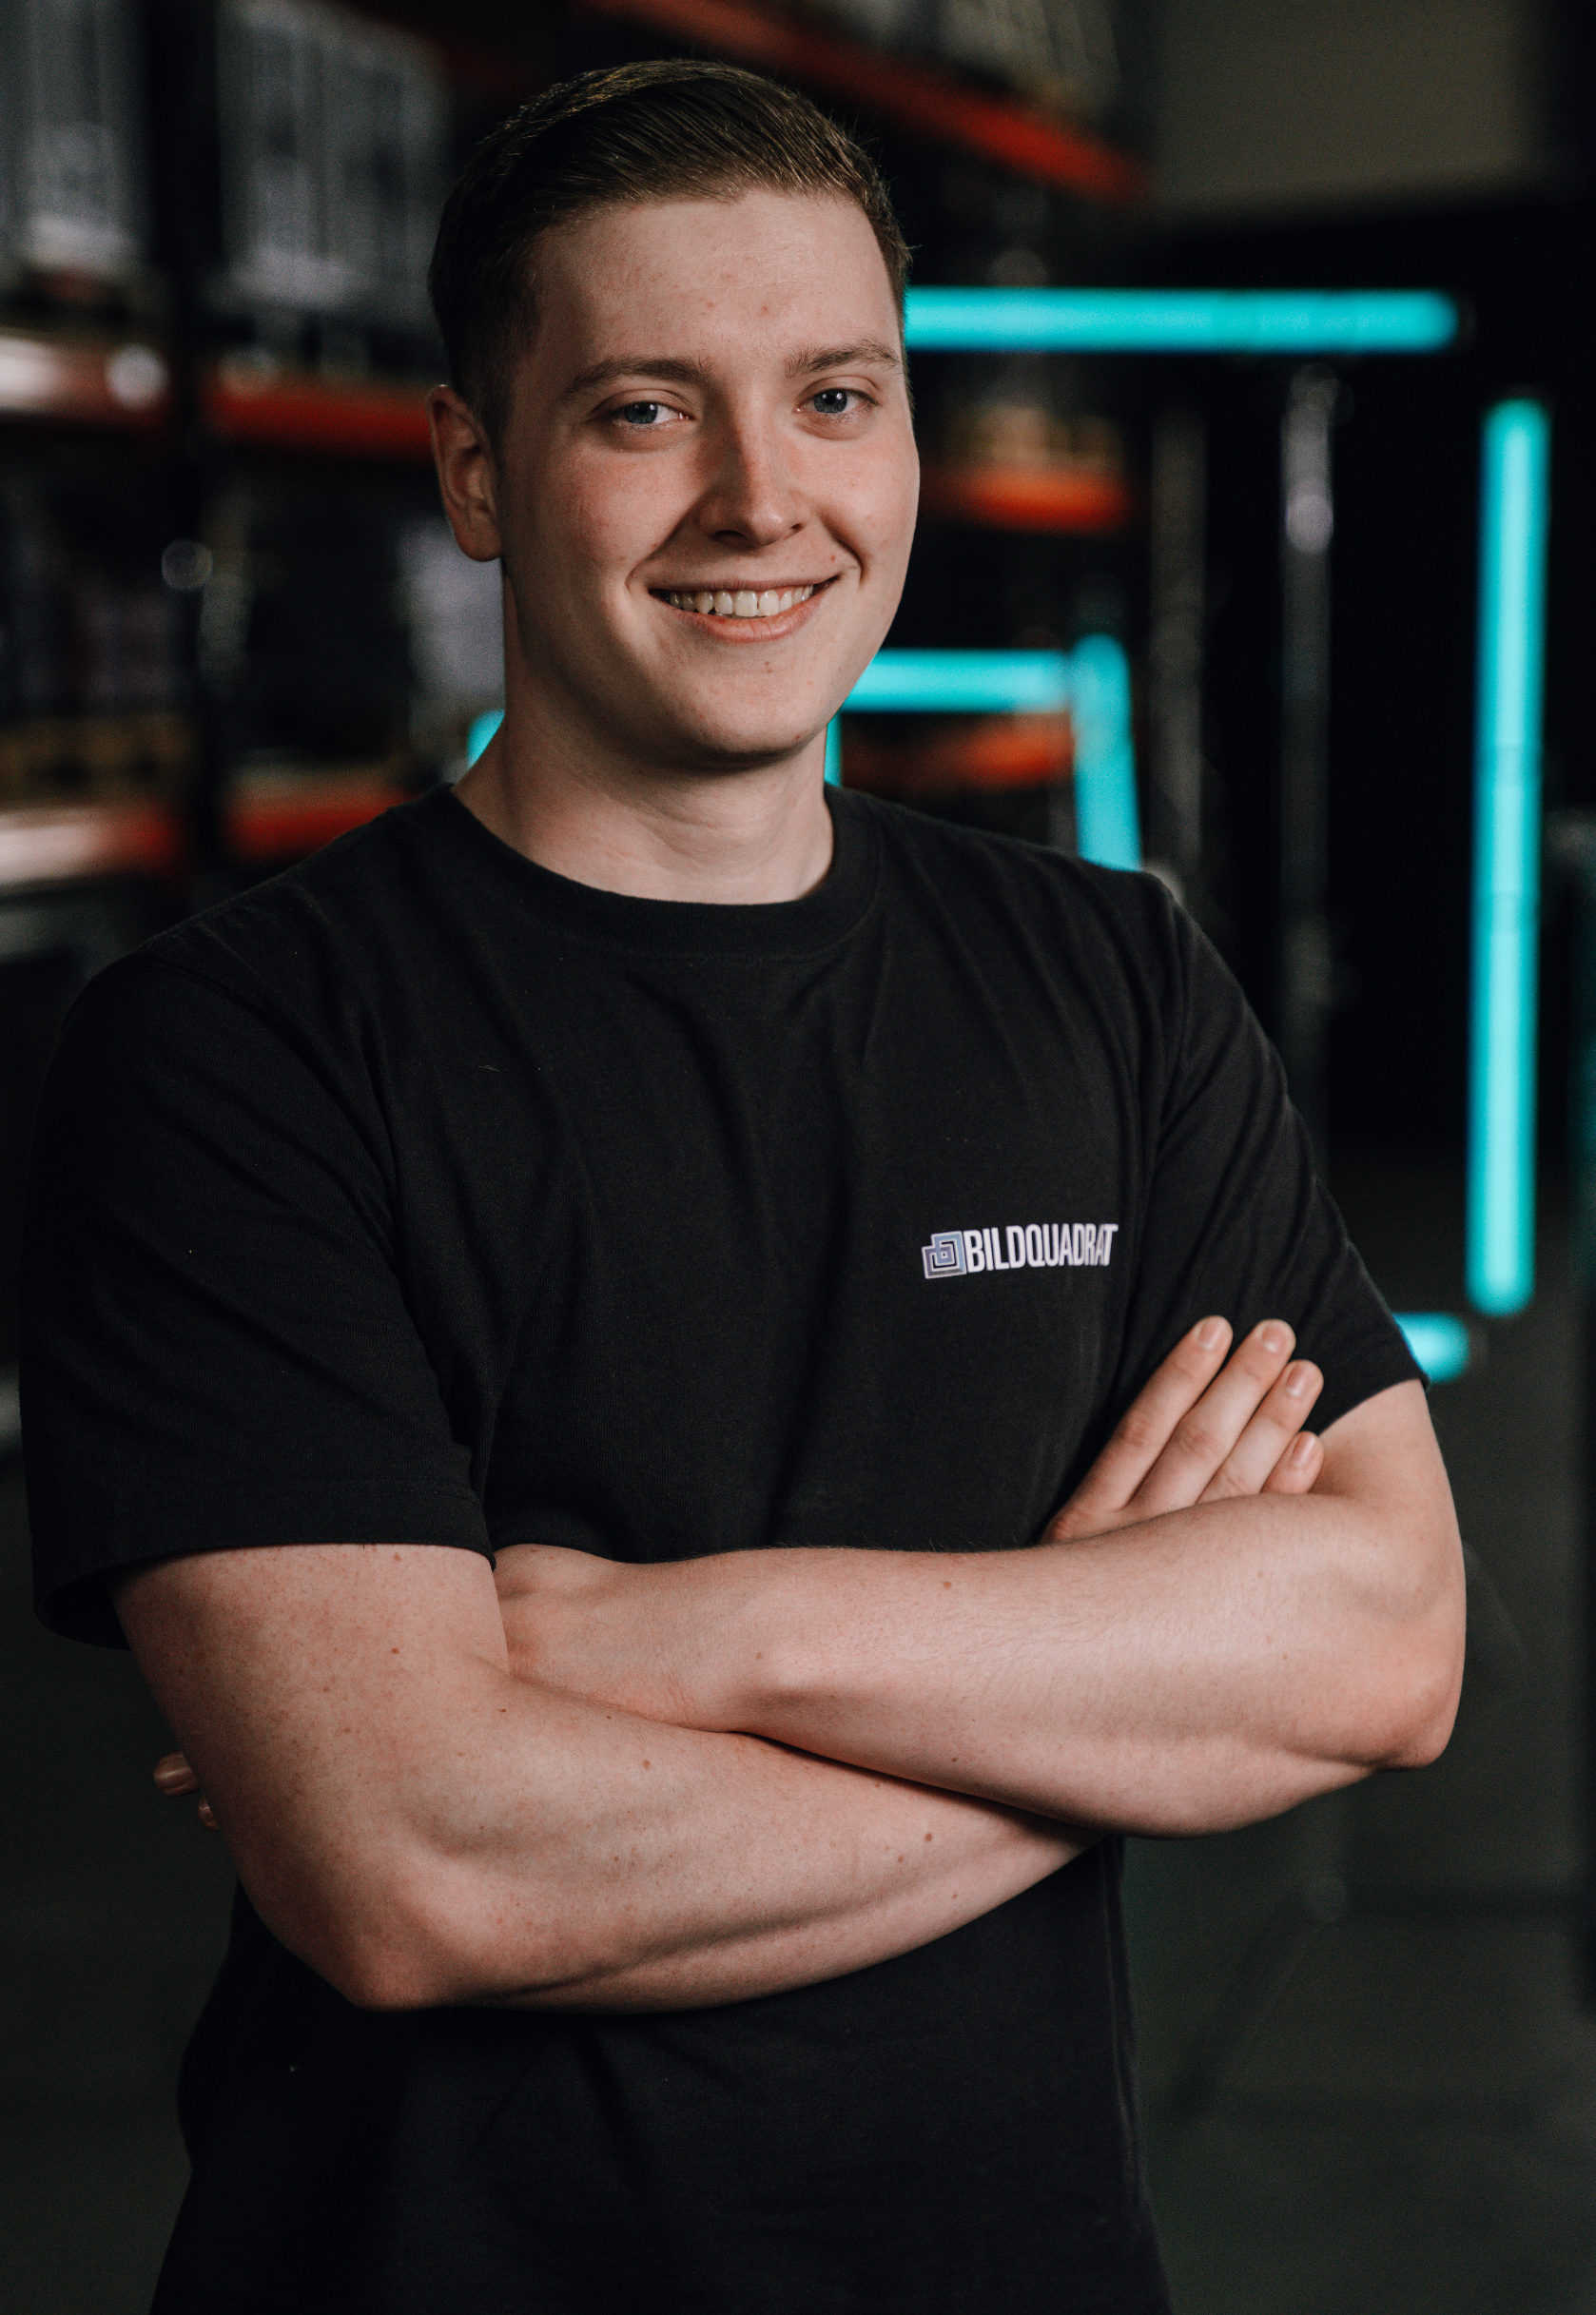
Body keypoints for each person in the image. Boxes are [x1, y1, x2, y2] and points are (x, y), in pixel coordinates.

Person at [22, 59, 1464, 2315]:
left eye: (831, 393)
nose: (757, 497)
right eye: (637, 411)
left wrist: (666, 1636)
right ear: (474, 471)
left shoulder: (1110, 977)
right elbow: (419, 1863)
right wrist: (1109, 1712)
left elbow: (1382, 1641)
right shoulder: (233, 1049)